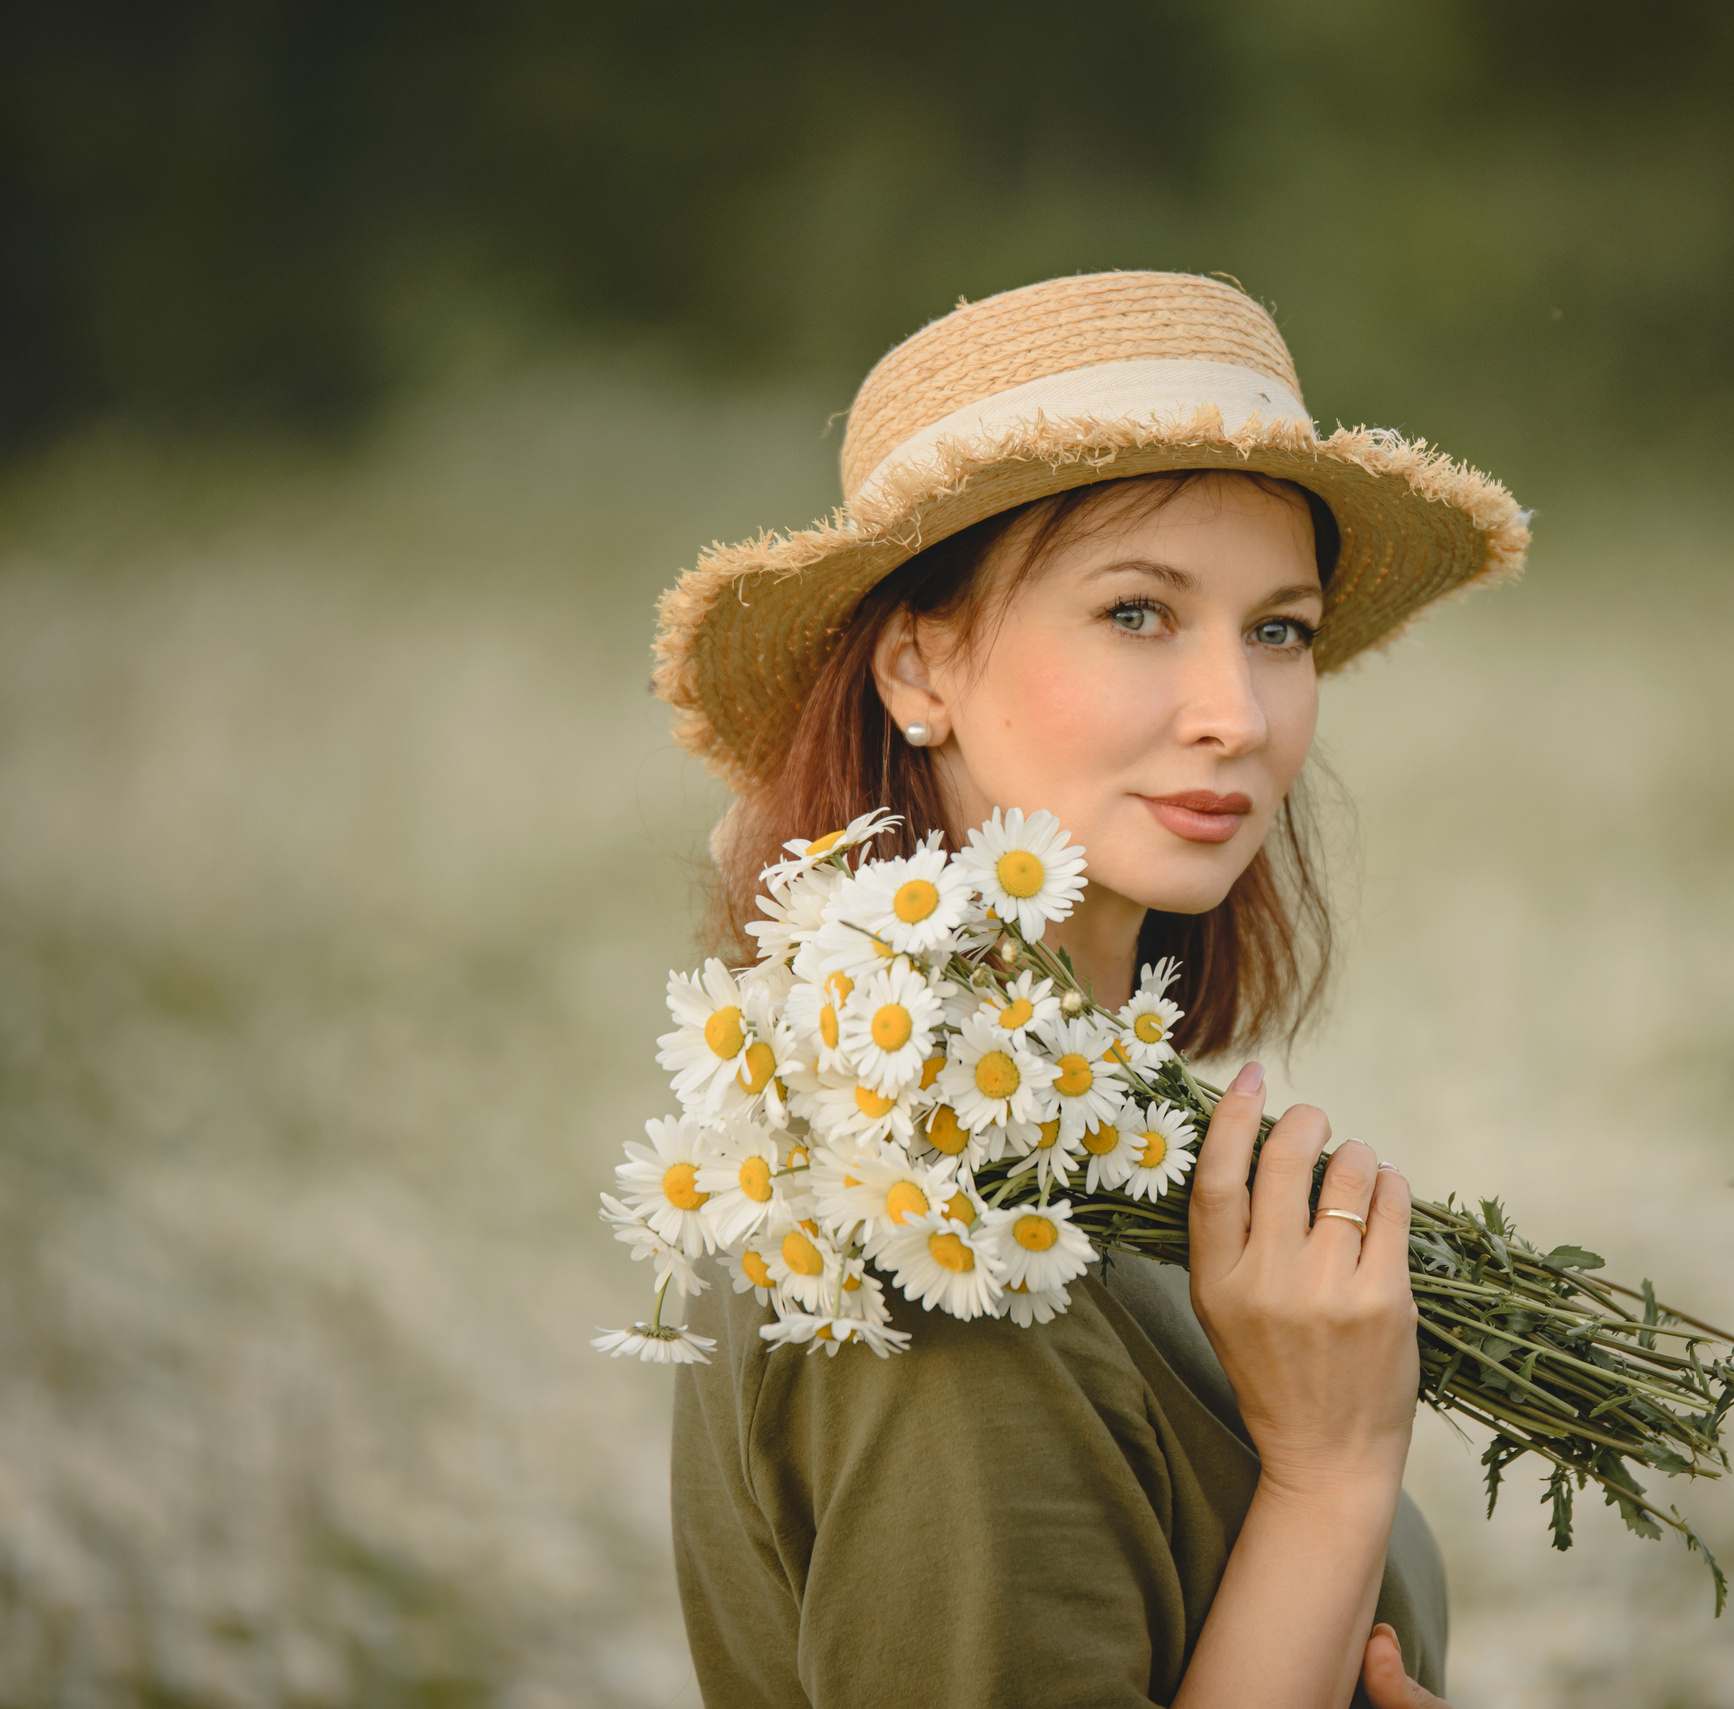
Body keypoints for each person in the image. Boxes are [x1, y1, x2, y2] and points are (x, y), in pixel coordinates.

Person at [655, 272, 1529, 1708]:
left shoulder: (1096, 1147)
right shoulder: (931, 1230)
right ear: (919, 664)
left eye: (1281, 630)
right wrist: (1329, 1472)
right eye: (1137, 612)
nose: (1236, 715)